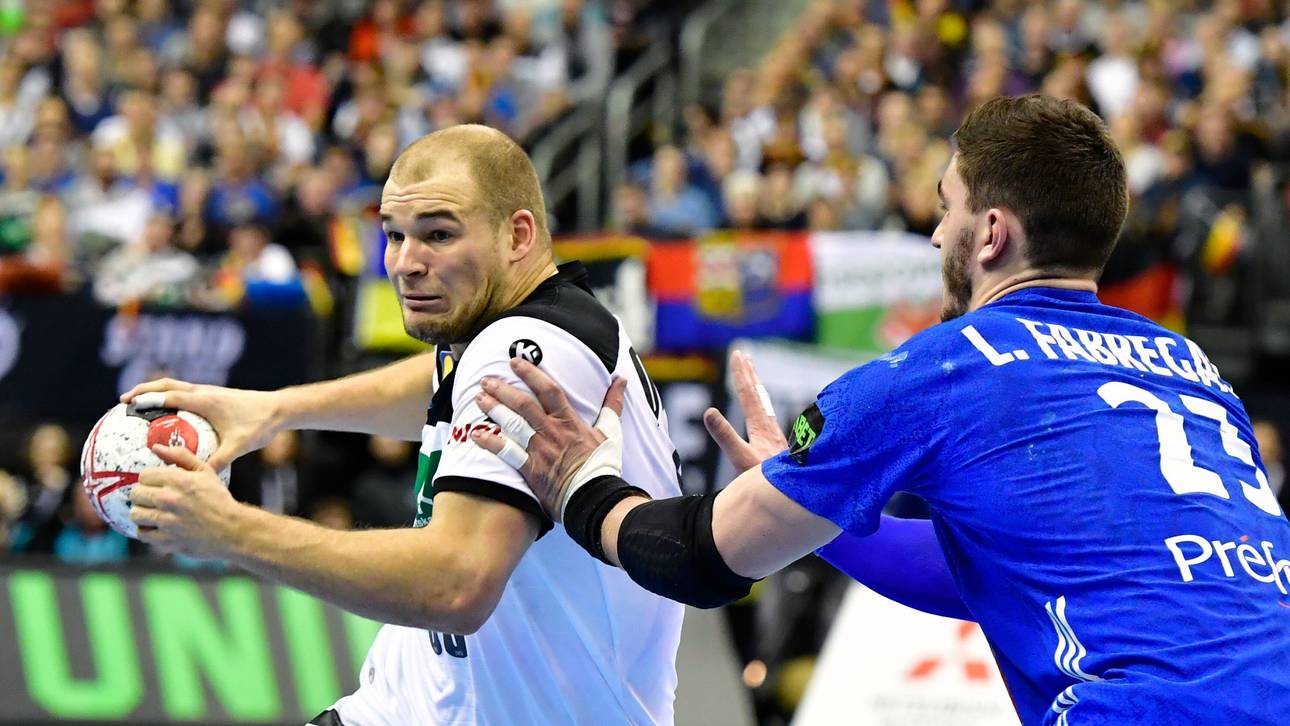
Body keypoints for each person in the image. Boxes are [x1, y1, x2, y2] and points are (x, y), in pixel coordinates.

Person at [470, 95, 1290, 725]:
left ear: (993, 232)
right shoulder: (1194, 369)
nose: (937, 234)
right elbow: (994, 572)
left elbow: (699, 560)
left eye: (948, 205)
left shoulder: (942, 368)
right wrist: (823, 518)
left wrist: (583, 485)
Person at [120, 124, 684, 725]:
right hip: (403, 707)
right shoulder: (512, 330)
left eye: (438, 234)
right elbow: (438, 384)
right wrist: (275, 410)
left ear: (517, 234)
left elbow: (455, 585)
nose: (406, 263)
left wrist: (228, 530)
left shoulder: (523, 350)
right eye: (394, 234)